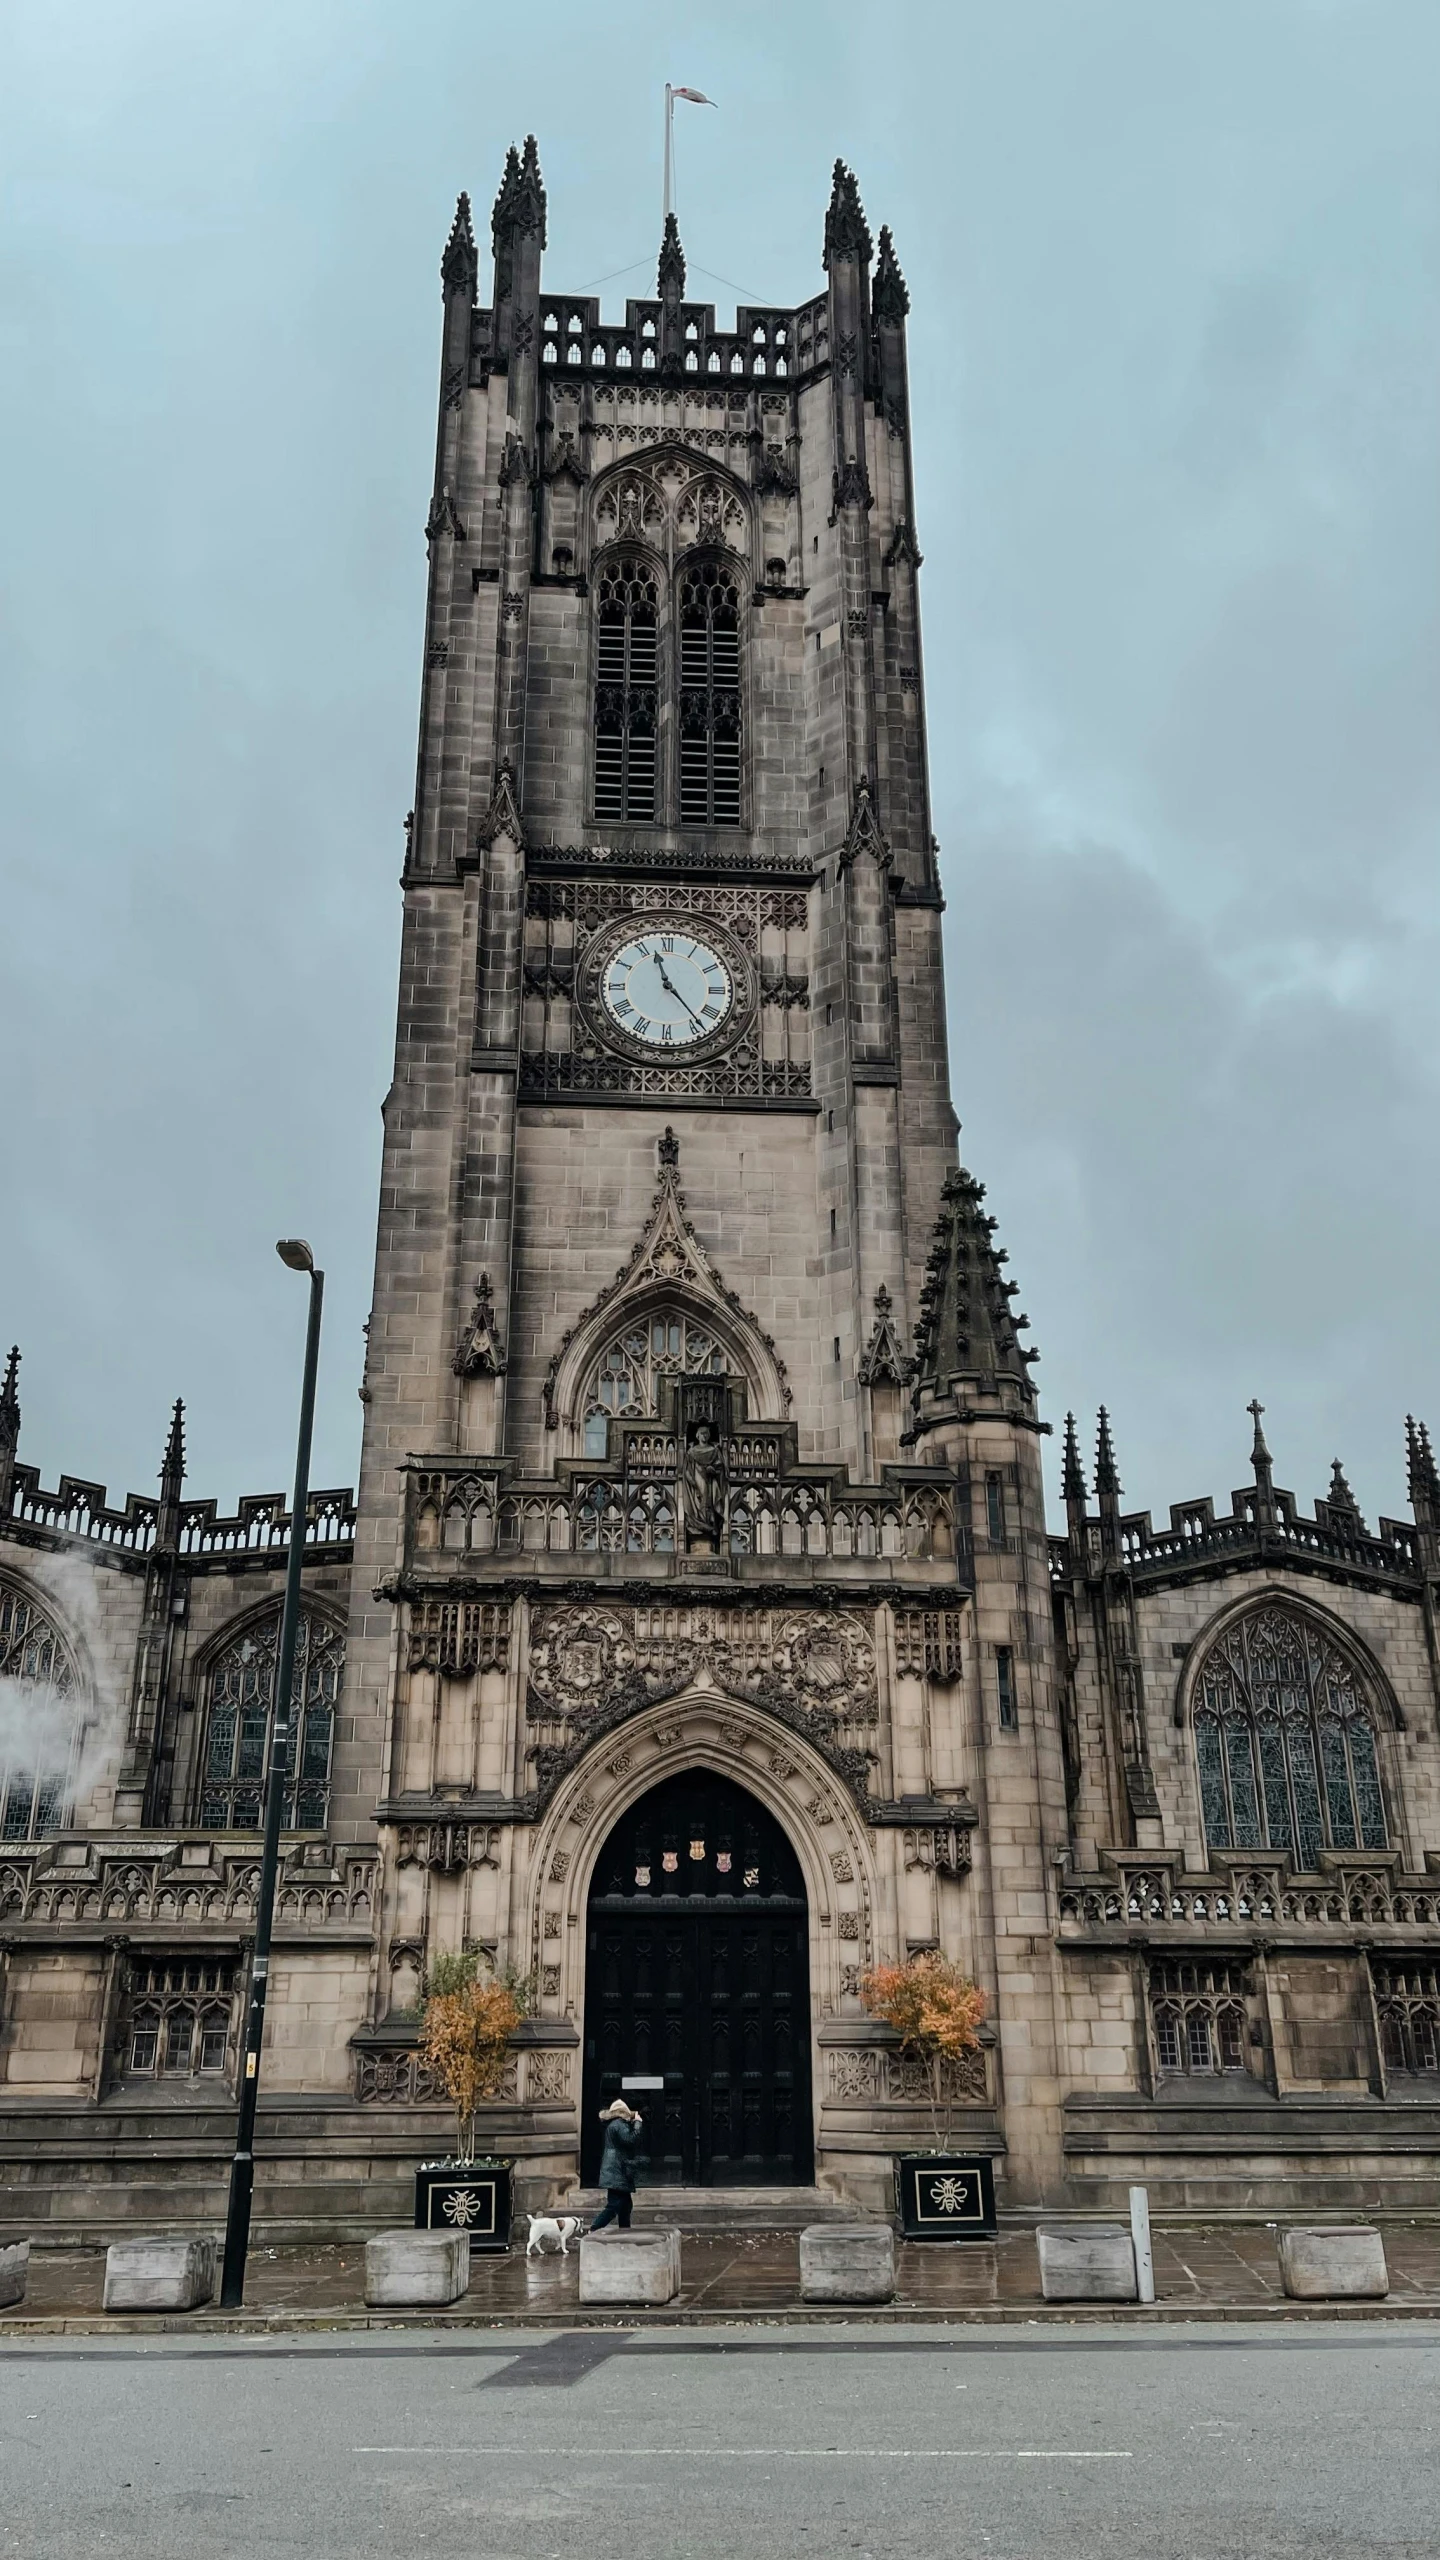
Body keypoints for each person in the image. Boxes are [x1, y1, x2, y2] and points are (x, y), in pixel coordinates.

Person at [590, 2097, 646, 2230]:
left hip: (615, 2169)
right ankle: (594, 2228)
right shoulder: (619, 2124)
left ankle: (624, 2231)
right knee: (614, 2205)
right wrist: (638, 2124)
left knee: (625, 2205)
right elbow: (630, 2140)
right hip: (617, 2170)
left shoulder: (613, 2124)